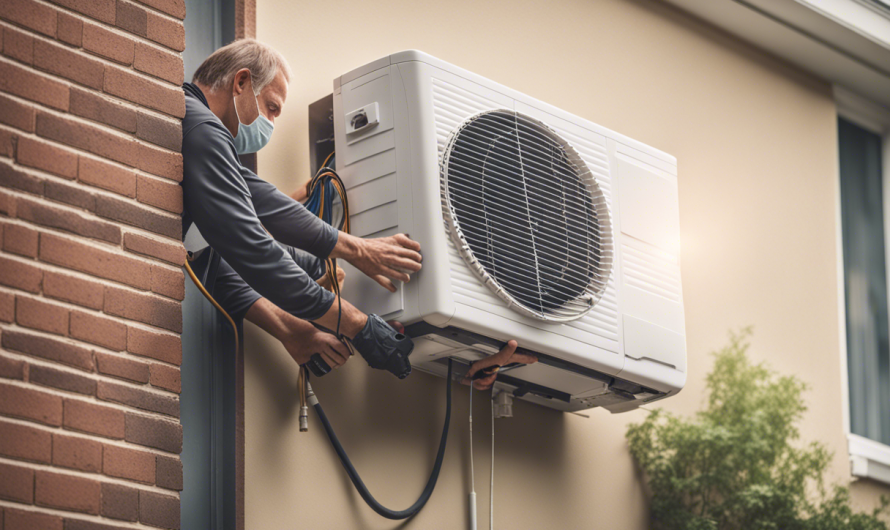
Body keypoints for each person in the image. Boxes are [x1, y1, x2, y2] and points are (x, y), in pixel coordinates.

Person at [181, 39, 421, 375]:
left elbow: (264, 207)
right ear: (241, 82)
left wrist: (355, 252)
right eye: (272, 108)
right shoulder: (202, 127)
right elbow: (251, 246)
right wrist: (355, 323)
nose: (271, 123)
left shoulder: (195, 128)